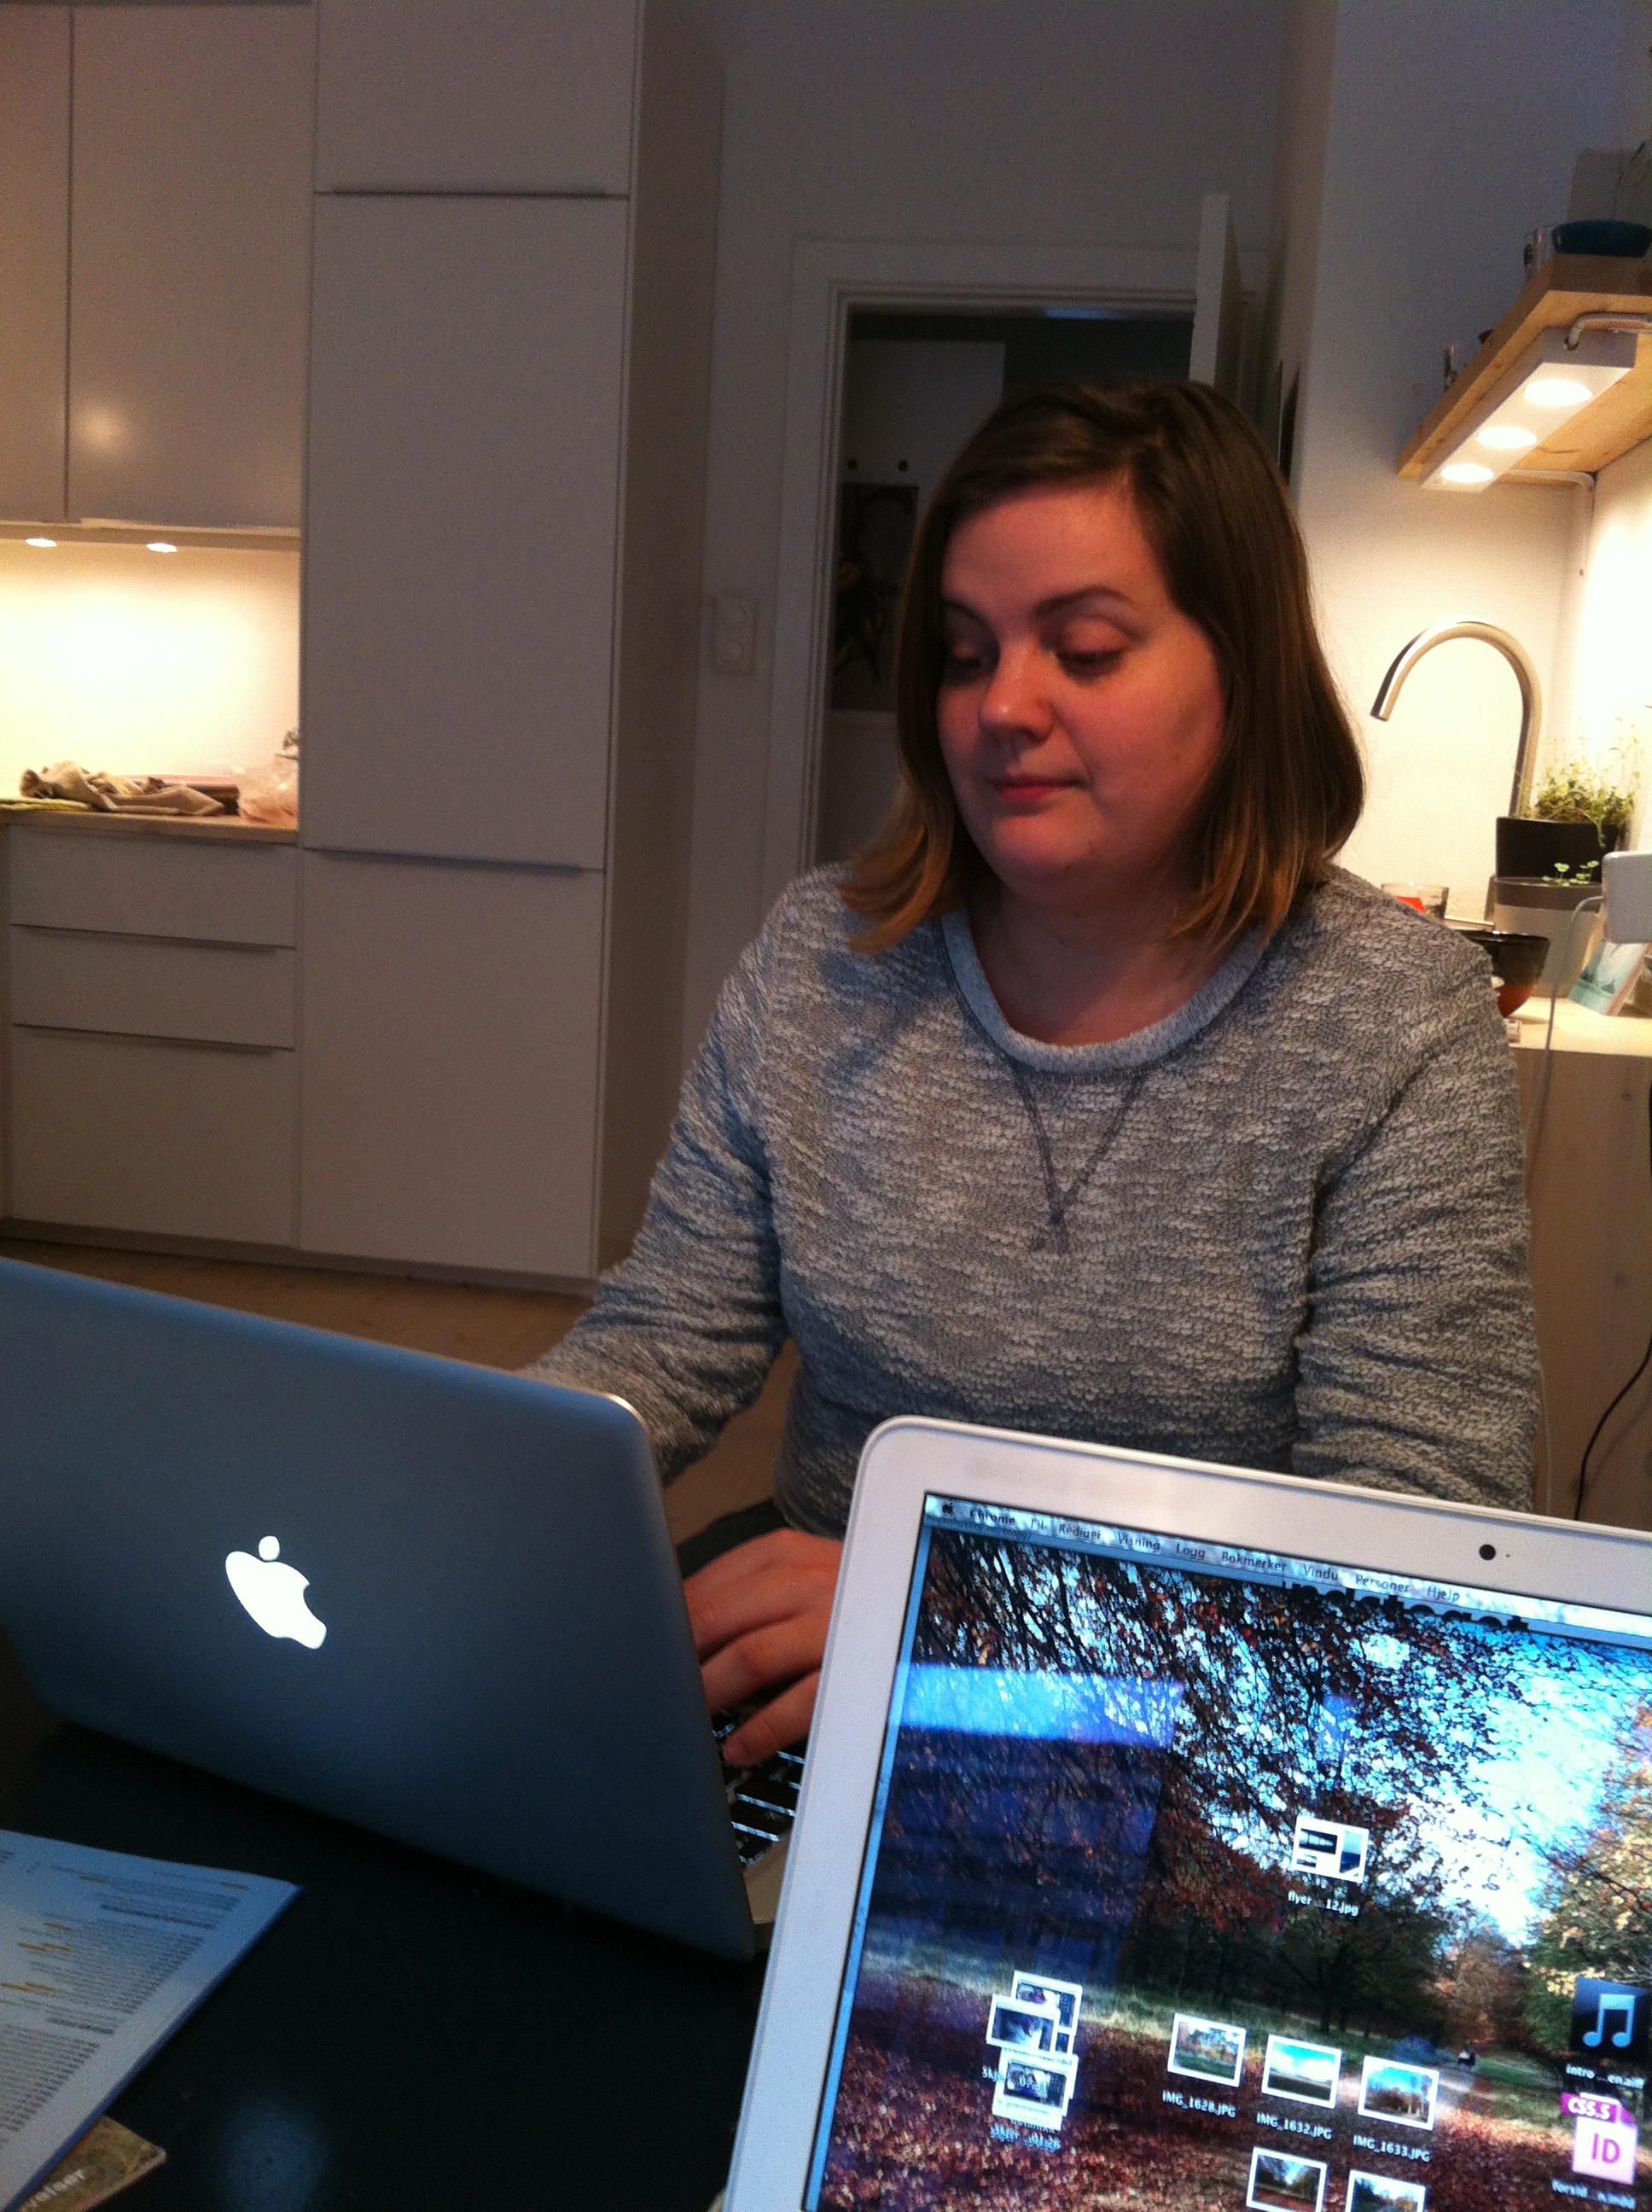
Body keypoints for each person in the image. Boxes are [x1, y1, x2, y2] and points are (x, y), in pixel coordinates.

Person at [526, 380, 1539, 1765]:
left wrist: (946, 1616)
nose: (1002, 706)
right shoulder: (824, 957)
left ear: (1240, 674)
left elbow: (1421, 1540)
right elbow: (667, 1334)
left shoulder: (1394, 1020)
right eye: (964, 652)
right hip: (814, 1638)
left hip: (1184, 1716)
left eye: (1087, 650)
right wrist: (483, 1476)